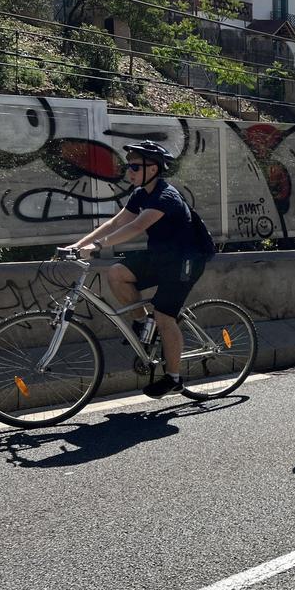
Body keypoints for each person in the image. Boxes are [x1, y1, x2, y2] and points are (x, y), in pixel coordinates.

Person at [68, 140, 207, 398]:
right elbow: (117, 221)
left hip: (185, 260)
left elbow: (135, 227)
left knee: (165, 317)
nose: (128, 171)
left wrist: (96, 246)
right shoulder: (141, 193)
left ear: (153, 169)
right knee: (117, 273)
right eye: (127, 165)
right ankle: (144, 325)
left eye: (134, 166)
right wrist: (77, 244)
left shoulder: (166, 197)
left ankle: (174, 378)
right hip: (161, 256)